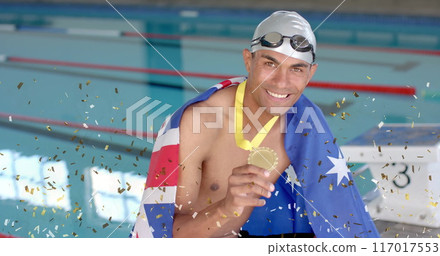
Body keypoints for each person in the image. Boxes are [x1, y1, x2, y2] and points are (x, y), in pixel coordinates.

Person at [131, 10, 379, 238]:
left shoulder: (305, 124)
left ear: (311, 73)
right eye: (270, 64)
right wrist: (227, 208)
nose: (282, 82)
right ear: (248, 61)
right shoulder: (200, 123)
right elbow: (164, 236)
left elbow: (339, 214)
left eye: (296, 69)